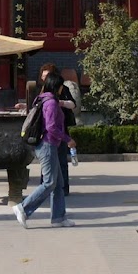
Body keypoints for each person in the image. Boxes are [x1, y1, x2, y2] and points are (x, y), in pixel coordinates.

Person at [12, 71, 77, 229]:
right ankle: (23, 208)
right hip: (47, 145)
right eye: (61, 87)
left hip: (50, 145)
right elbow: (51, 128)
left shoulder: (42, 98)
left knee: (58, 184)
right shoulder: (51, 103)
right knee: (49, 183)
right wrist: (68, 140)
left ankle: (58, 218)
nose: (62, 89)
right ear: (57, 86)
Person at [37, 62, 76, 195]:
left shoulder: (62, 90)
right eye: (43, 77)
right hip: (48, 135)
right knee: (47, 165)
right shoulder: (44, 92)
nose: (44, 79)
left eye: (46, 76)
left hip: (61, 128)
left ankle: (62, 189)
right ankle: (45, 189)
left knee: (61, 161)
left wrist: (61, 103)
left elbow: (73, 104)